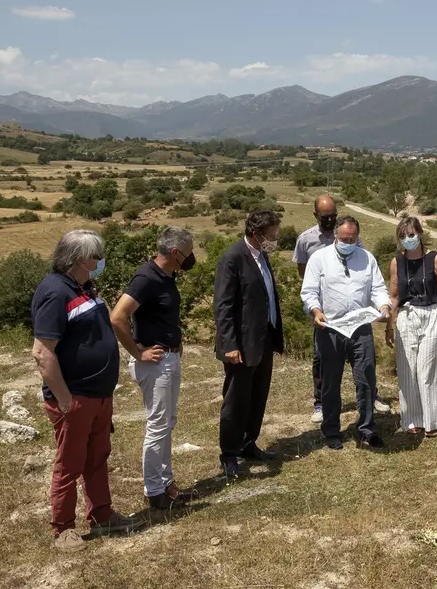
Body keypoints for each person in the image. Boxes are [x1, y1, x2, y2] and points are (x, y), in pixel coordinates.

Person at [31, 229, 143, 551]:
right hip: (75, 397)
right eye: (97, 256)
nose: (100, 261)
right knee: (70, 463)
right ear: (81, 259)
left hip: (98, 395)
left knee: (97, 458)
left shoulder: (83, 287)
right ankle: (63, 528)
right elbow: (42, 351)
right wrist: (65, 399)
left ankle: (102, 515)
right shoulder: (55, 292)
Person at [110, 226, 198, 511]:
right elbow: (117, 317)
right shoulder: (146, 278)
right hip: (155, 362)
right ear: (175, 253)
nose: (190, 258)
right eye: (187, 253)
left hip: (168, 359)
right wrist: (137, 351)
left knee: (167, 422)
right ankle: (154, 491)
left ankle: (166, 484)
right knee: (158, 425)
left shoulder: (166, 276)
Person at [295, 193, 389, 423]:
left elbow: (377, 287)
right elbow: (308, 290)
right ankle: (331, 428)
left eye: (353, 239)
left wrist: (383, 305)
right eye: (345, 239)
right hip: (330, 328)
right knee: (330, 380)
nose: (349, 243)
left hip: (361, 329)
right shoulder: (318, 257)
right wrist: (315, 310)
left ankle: (366, 428)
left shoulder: (366, 257)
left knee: (366, 378)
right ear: (336, 235)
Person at [214, 210, 285, 479]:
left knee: (258, 395)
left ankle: (248, 442)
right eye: (271, 235)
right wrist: (229, 344)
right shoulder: (232, 258)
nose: (274, 239)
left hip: (263, 339)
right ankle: (229, 454)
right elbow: (223, 306)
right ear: (255, 233)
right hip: (240, 345)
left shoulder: (261, 255)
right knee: (236, 399)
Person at [385, 217, 437, 436]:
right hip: (407, 316)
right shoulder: (397, 262)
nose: (408, 239)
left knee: (429, 369)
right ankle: (413, 419)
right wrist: (389, 326)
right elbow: (394, 296)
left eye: (411, 234)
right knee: (407, 369)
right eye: (403, 236)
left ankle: (435, 419)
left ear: (420, 233)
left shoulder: (435, 259)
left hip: (432, 314)